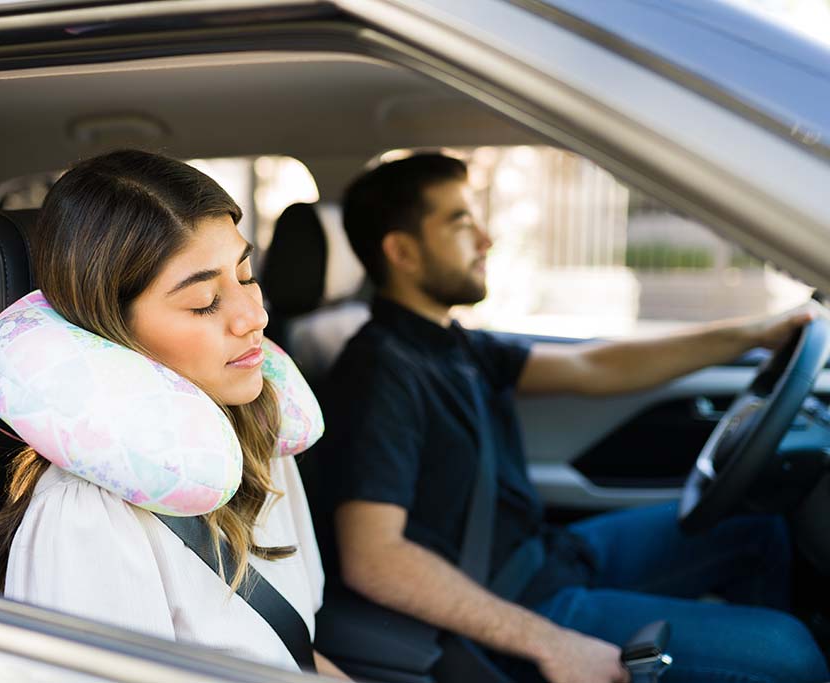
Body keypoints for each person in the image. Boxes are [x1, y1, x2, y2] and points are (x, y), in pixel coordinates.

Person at [314, 153, 829, 683]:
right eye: (461, 222)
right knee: (794, 657)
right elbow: (374, 557)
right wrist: (551, 643)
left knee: (756, 526)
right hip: (515, 602)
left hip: (548, 556)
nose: (486, 239)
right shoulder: (379, 372)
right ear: (402, 252)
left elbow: (594, 365)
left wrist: (754, 334)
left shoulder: (451, 343)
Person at [0, 150, 346, 677]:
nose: (256, 315)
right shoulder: (85, 517)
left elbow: (297, 659)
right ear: (113, 328)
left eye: (246, 275)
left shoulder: (259, 437)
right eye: (205, 300)